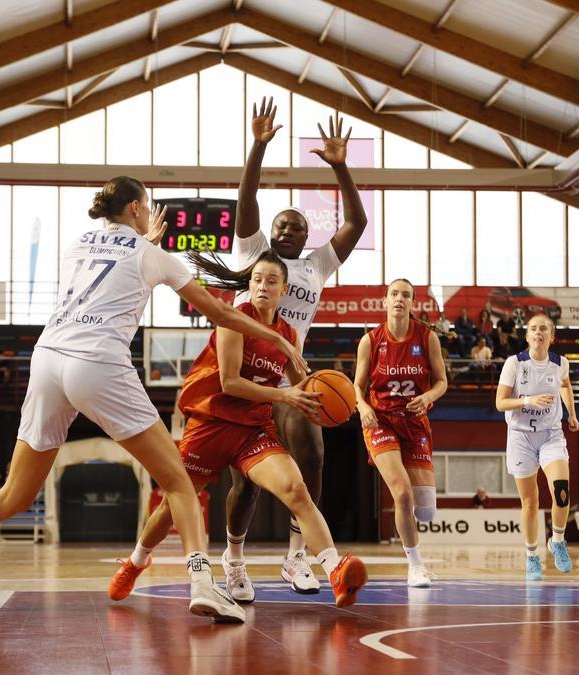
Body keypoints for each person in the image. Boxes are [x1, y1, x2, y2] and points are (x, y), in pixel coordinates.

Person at [0, 175, 308, 623]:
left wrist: (149, 249)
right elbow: (220, 311)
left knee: (13, 494)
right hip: (97, 359)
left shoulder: (78, 243)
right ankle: (203, 584)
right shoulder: (151, 254)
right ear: (139, 208)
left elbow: (114, 264)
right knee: (178, 480)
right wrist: (279, 340)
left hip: (47, 360)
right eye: (149, 204)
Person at [108, 251, 367, 607]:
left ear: (284, 290)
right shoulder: (233, 320)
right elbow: (230, 383)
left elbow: (301, 385)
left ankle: (335, 569)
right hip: (212, 422)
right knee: (172, 506)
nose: (263, 286)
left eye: (271, 281)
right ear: (250, 285)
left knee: (296, 489)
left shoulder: (288, 334)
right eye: (257, 279)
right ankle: (136, 562)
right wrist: (284, 395)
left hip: (253, 430)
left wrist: (323, 399)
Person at [220, 102, 368, 599]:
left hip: (288, 372)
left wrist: (340, 166)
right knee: (245, 484)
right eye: (281, 226)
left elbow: (358, 221)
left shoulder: (316, 267)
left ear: (307, 239)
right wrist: (258, 146)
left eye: (296, 228)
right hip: (242, 370)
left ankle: (296, 557)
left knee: (313, 456)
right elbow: (246, 197)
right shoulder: (251, 253)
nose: (286, 232)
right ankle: (234, 558)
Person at [354, 278, 448, 588]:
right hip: (381, 421)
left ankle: (416, 552)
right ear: (385, 301)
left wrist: (429, 397)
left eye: (405, 295)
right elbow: (357, 385)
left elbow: (441, 382)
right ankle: (415, 565)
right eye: (394, 294)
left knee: (426, 511)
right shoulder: (371, 340)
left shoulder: (427, 337)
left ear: (412, 303)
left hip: (414, 422)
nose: (399, 299)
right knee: (403, 494)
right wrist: (363, 406)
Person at [494, 313, 579, 581]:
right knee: (530, 502)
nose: (538, 332)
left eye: (544, 329)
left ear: (551, 336)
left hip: (550, 434)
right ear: (527, 335)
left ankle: (557, 540)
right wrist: (528, 400)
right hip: (520, 437)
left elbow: (565, 386)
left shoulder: (560, 364)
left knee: (562, 490)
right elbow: (500, 403)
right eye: (533, 329)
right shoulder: (514, 364)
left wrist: (572, 414)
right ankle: (532, 556)